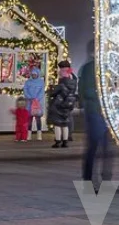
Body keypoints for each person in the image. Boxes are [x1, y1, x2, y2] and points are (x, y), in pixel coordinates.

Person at [79, 40, 114, 191]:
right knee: (93, 147)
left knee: (107, 149)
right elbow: (84, 90)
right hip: (95, 112)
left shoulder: (108, 68)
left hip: (107, 114)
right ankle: (88, 180)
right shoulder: (88, 68)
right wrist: (100, 97)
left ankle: (106, 180)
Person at [48, 60, 77, 148]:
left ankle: (57, 141)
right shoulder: (74, 81)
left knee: (57, 124)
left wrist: (51, 90)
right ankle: (65, 141)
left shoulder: (62, 82)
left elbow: (54, 93)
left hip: (59, 104)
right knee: (65, 124)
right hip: (69, 104)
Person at [23, 66, 45, 140]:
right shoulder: (28, 82)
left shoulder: (41, 82)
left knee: (38, 118)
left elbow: (42, 91)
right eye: (32, 74)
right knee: (29, 119)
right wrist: (30, 97)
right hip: (29, 103)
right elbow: (25, 90)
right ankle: (28, 134)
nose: (33, 76)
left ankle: (39, 134)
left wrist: (36, 99)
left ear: (38, 74)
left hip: (37, 103)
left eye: (35, 74)